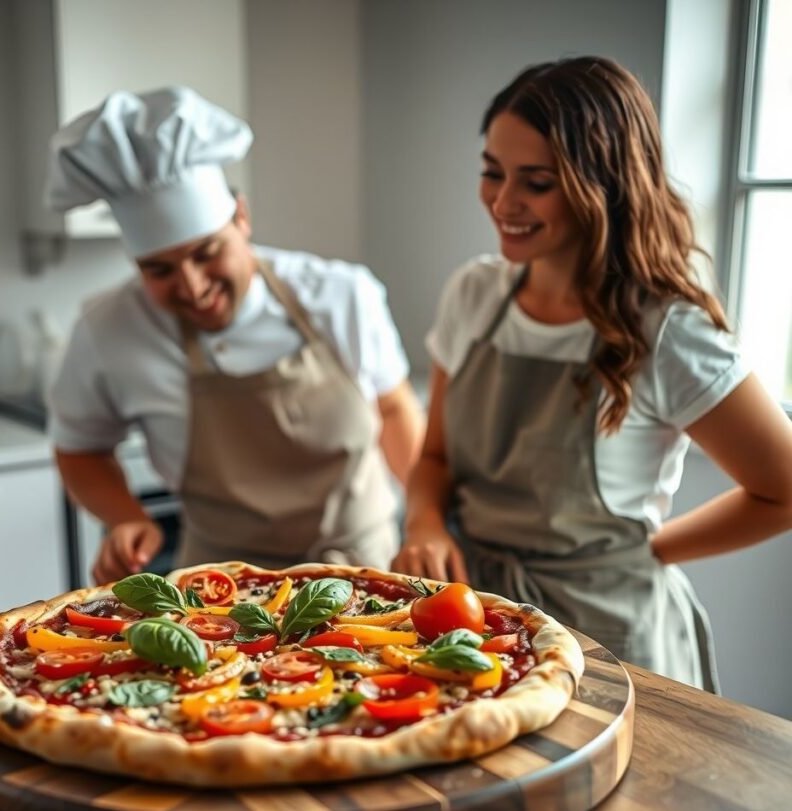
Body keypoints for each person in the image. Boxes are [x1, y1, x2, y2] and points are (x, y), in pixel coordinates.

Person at [393, 56, 792, 690]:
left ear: (602, 184)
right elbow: (435, 457)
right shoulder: (474, 294)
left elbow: (783, 488)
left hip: (611, 638)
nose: (503, 201)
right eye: (492, 173)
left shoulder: (668, 331)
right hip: (475, 621)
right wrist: (425, 522)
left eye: (536, 182)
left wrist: (647, 553)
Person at [45, 87, 424, 583]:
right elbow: (79, 447)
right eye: (158, 269)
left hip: (362, 570)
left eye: (206, 253)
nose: (193, 286)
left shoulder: (340, 294)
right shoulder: (109, 330)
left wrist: (425, 520)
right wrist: (126, 517)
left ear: (241, 218)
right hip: (217, 590)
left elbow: (394, 409)